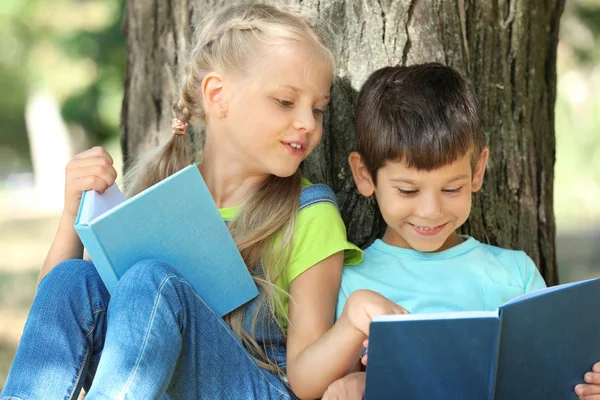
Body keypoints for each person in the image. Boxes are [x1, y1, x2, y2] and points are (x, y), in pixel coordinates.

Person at [1, 4, 407, 399]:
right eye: (285, 102)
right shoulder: (161, 194)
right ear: (217, 95)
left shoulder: (309, 213)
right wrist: (72, 214)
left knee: (153, 282)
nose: (307, 123)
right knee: (75, 279)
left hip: (261, 388)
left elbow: (304, 380)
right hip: (152, 385)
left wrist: (353, 319)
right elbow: (54, 337)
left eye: (318, 109)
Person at [321, 63, 600, 400]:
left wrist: (585, 386)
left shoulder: (516, 273)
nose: (431, 211)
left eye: (452, 189)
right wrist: (354, 385)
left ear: (477, 171)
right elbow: (330, 384)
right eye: (408, 191)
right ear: (364, 175)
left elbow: (552, 377)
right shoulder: (351, 285)